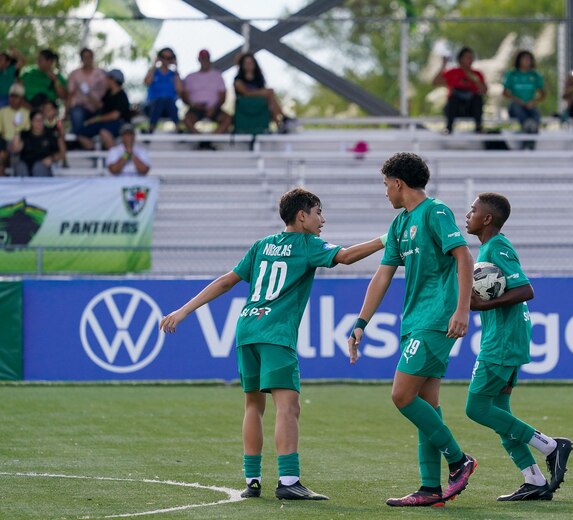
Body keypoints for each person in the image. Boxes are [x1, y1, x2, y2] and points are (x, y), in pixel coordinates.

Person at [159, 187, 385, 501]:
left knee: (253, 404)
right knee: (288, 407)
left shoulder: (262, 245)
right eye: (318, 212)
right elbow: (345, 257)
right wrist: (386, 239)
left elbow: (227, 280)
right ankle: (289, 481)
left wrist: (183, 311)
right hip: (276, 334)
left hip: (247, 330)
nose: (323, 220)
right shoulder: (308, 244)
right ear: (302, 216)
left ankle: (252, 481)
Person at [348, 152, 476, 507]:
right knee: (425, 404)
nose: (386, 192)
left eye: (386, 185)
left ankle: (458, 459)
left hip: (436, 319)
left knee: (401, 395)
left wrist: (461, 309)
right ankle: (430, 489)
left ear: (398, 183)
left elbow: (463, 256)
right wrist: (361, 322)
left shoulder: (435, 212)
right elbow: (383, 275)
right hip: (414, 321)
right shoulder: (399, 225)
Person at [464, 192, 573, 502]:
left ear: (487, 218)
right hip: (502, 338)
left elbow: (526, 289)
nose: (467, 214)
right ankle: (534, 480)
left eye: (473, 210)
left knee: (477, 408)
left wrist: (485, 306)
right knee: (499, 413)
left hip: (503, 340)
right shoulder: (488, 248)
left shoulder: (498, 246)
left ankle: (550, 446)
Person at [233, 53, 291, 134]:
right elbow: (246, 93)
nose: (249, 65)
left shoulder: (259, 79)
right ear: (242, 65)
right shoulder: (238, 80)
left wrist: (265, 92)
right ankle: (283, 118)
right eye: (246, 62)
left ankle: (280, 123)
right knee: (270, 93)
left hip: (260, 107)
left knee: (269, 97)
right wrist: (264, 92)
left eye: (251, 62)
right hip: (245, 108)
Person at [433, 47, 487, 134]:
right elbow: (435, 82)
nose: (471, 60)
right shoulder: (453, 73)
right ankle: (449, 128)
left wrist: (476, 81)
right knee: (453, 98)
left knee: (477, 98)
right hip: (455, 108)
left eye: (472, 57)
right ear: (460, 59)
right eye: (468, 57)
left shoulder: (477, 74)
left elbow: (484, 91)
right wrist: (443, 66)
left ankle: (478, 127)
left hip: (470, 108)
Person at [76, 69, 131, 150]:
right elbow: (100, 105)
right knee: (80, 132)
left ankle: (115, 157)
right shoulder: (108, 93)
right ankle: (96, 154)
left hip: (120, 123)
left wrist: (96, 119)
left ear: (113, 79)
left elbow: (115, 115)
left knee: (104, 132)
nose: (106, 79)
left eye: (108, 77)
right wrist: (87, 93)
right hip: (104, 123)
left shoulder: (122, 96)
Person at [182, 49, 231, 137]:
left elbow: (223, 97)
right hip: (196, 108)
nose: (204, 61)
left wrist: (213, 107)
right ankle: (200, 139)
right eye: (202, 58)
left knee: (227, 119)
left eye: (206, 58)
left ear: (209, 59)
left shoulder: (217, 76)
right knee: (186, 119)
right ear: (199, 59)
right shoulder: (190, 77)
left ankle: (211, 140)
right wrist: (194, 105)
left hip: (214, 108)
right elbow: (185, 96)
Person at [503, 50, 545, 149]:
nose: (526, 61)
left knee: (535, 112)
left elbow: (543, 93)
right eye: (524, 59)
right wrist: (518, 100)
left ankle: (530, 130)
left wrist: (533, 101)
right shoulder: (512, 74)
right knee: (517, 108)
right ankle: (528, 129)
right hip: (516, 105)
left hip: (530, 105)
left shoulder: (535, 75)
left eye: (528, 59)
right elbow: (505, 92)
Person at [67, 47, 108, 136]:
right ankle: (80, 139)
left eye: (90, 57)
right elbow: (70, 94)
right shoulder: (75, 74)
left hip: (99, 107)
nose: (88, 59)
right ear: (81, 59)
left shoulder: (101, 73)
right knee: (76, 113)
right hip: (81, 107)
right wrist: (66, 112)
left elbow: (107, 91)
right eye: (85, 57)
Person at [11, 109, 61, 177]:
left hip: (42, 167)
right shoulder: (25, 134)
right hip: (25, 166)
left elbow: (59, 153)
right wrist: (16, 129)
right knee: (20, 166)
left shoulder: (50, 134)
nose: (39, 122)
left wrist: (52, 158)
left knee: (38, 167)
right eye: (36, 120)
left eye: (41, 120)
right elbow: (16, 149)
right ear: (31, 122)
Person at [144, 47, 182, 132]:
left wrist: (176, 68)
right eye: (162, 57)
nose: (165, 60)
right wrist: (154, 65)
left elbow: (180, 90)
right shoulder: (154, 72)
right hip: (152, 107)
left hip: (169, 108)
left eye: (169, 58)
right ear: (159, 58)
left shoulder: (174, 74)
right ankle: (151, 129)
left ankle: (151, 129)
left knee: (167, 100)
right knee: (160, 101)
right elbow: (147, 82)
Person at [40, 98, 67, 168]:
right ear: (43, 111)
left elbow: (62, 134)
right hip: (43, 144)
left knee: (60, 140)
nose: (48, 111)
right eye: (46, 109)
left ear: (55, 110)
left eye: (50, 109)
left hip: (54, 144)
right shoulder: (41, 122)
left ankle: (64, 161)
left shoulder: (58, 121)